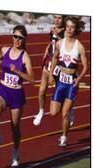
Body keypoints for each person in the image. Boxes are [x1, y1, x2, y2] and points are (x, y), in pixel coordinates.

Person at [0, 25, 34, 167]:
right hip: (2, 89)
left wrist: (18, 72)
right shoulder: (4, 49)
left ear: (24, 40)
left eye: (20, 38)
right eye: (15, 36)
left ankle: (15, 152)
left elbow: (32, 79)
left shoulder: (25, 56)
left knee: (14, 126)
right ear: (12, 36)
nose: (17, 40)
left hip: (16, 93)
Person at [48, 16, 87, 147]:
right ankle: (70, 110)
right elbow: (54, 58)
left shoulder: (79, 47)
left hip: (72, 83)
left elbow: (86, 66)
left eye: (72, 27)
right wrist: (50, 74)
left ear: (75, 29)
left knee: (64, 114)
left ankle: (64, 137)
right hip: (60, 81)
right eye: (68, 26)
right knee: (53, 113)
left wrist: (79, 79)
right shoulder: (60, 43)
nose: (69, 29)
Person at [33, 14, 67, 126]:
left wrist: (58, 36)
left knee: (61, 92)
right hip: (49, 62)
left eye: (59, 18)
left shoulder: (67, 31)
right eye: (55, 17)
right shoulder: (52, 30)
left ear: (64, 19)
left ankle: (69, 109)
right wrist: (46, 51)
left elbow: (67, 46)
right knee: (42, 90)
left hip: (60, 65)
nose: (57, 20)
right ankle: (41, 111)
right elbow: (51, 43)